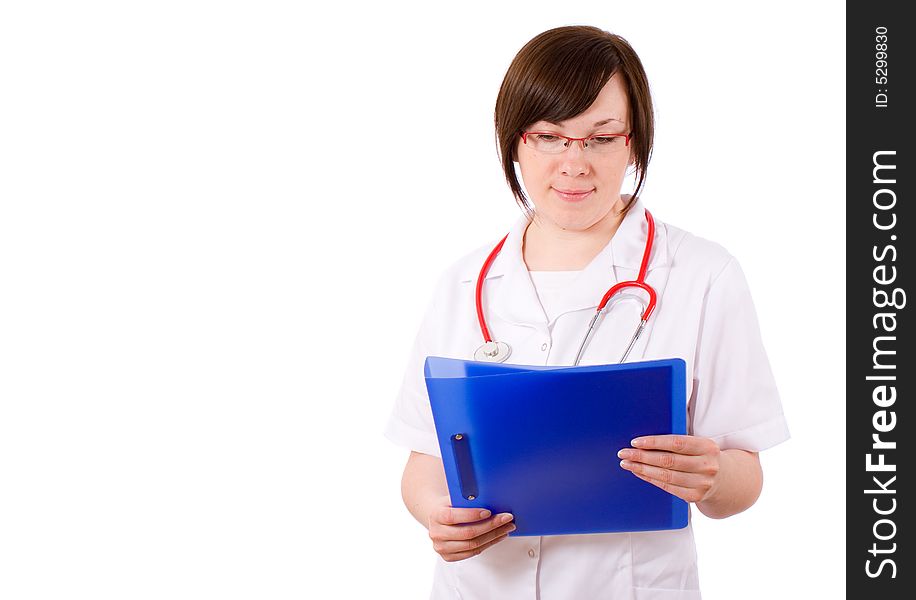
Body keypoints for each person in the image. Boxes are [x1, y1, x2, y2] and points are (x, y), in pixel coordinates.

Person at [384, 25, 789, 599]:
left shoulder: (704, 275)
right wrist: (436, 516)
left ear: (634, 143)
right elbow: (424, 460)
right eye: (549, 136)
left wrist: (714, 475)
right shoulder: (462, 283)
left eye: (600, 138)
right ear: (515, 142)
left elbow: (743, 479)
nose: (574, 164)